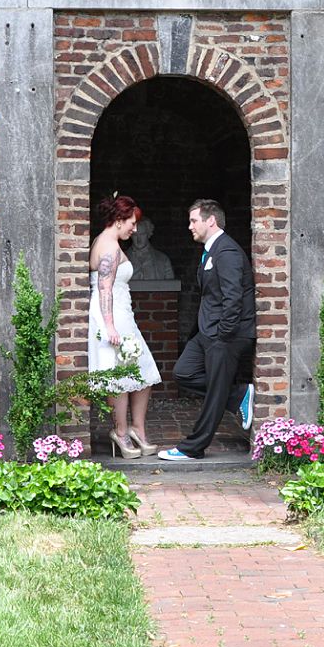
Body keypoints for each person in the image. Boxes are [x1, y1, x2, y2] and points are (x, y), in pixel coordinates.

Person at [158, 199, 256, 461]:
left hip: (226, 336)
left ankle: (192, 448)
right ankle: (238, 394)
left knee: (214, 393)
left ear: (210, 220)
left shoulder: (227, 252)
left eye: (193, 221)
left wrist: (223, 333)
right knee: (183, 372)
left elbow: (233, 297)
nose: (190, 226)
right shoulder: (211, 251)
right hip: (207, 333)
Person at [89, 193, 161, 457]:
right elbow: (104, 288)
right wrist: (110, 326)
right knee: (118, 375)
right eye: (132, 222)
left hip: (122, 314)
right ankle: (120, 432)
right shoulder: (109, 247)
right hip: (113, 317)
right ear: (119, 220)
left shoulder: (107, 241)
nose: (135, 229)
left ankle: (136, 429)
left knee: (142, 371)